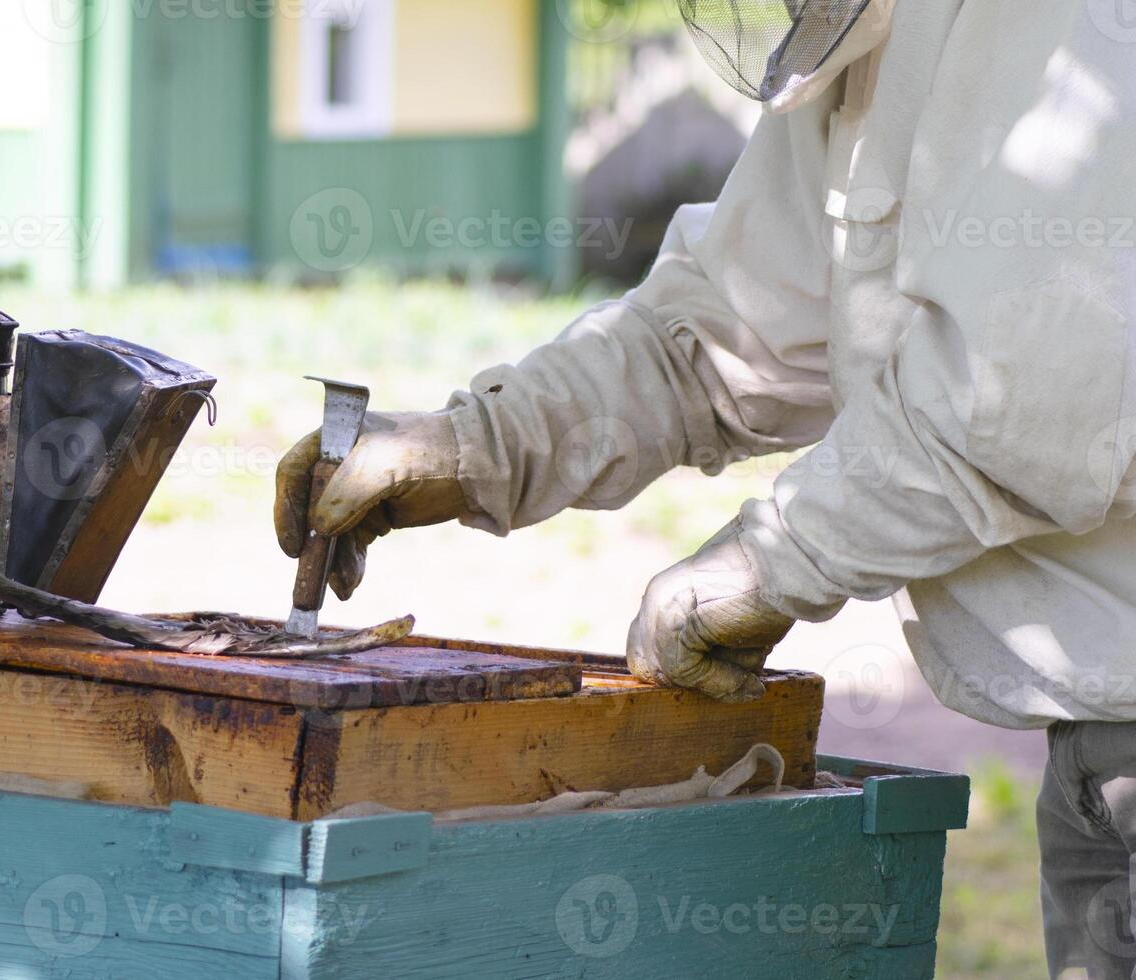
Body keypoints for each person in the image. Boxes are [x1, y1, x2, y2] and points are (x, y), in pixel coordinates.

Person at [274, 1, 1136, 975]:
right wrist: (474, 441)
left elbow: (1025, 394)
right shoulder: (873, 44)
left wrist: (777, 561)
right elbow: (726, 334)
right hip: (1103, 732)